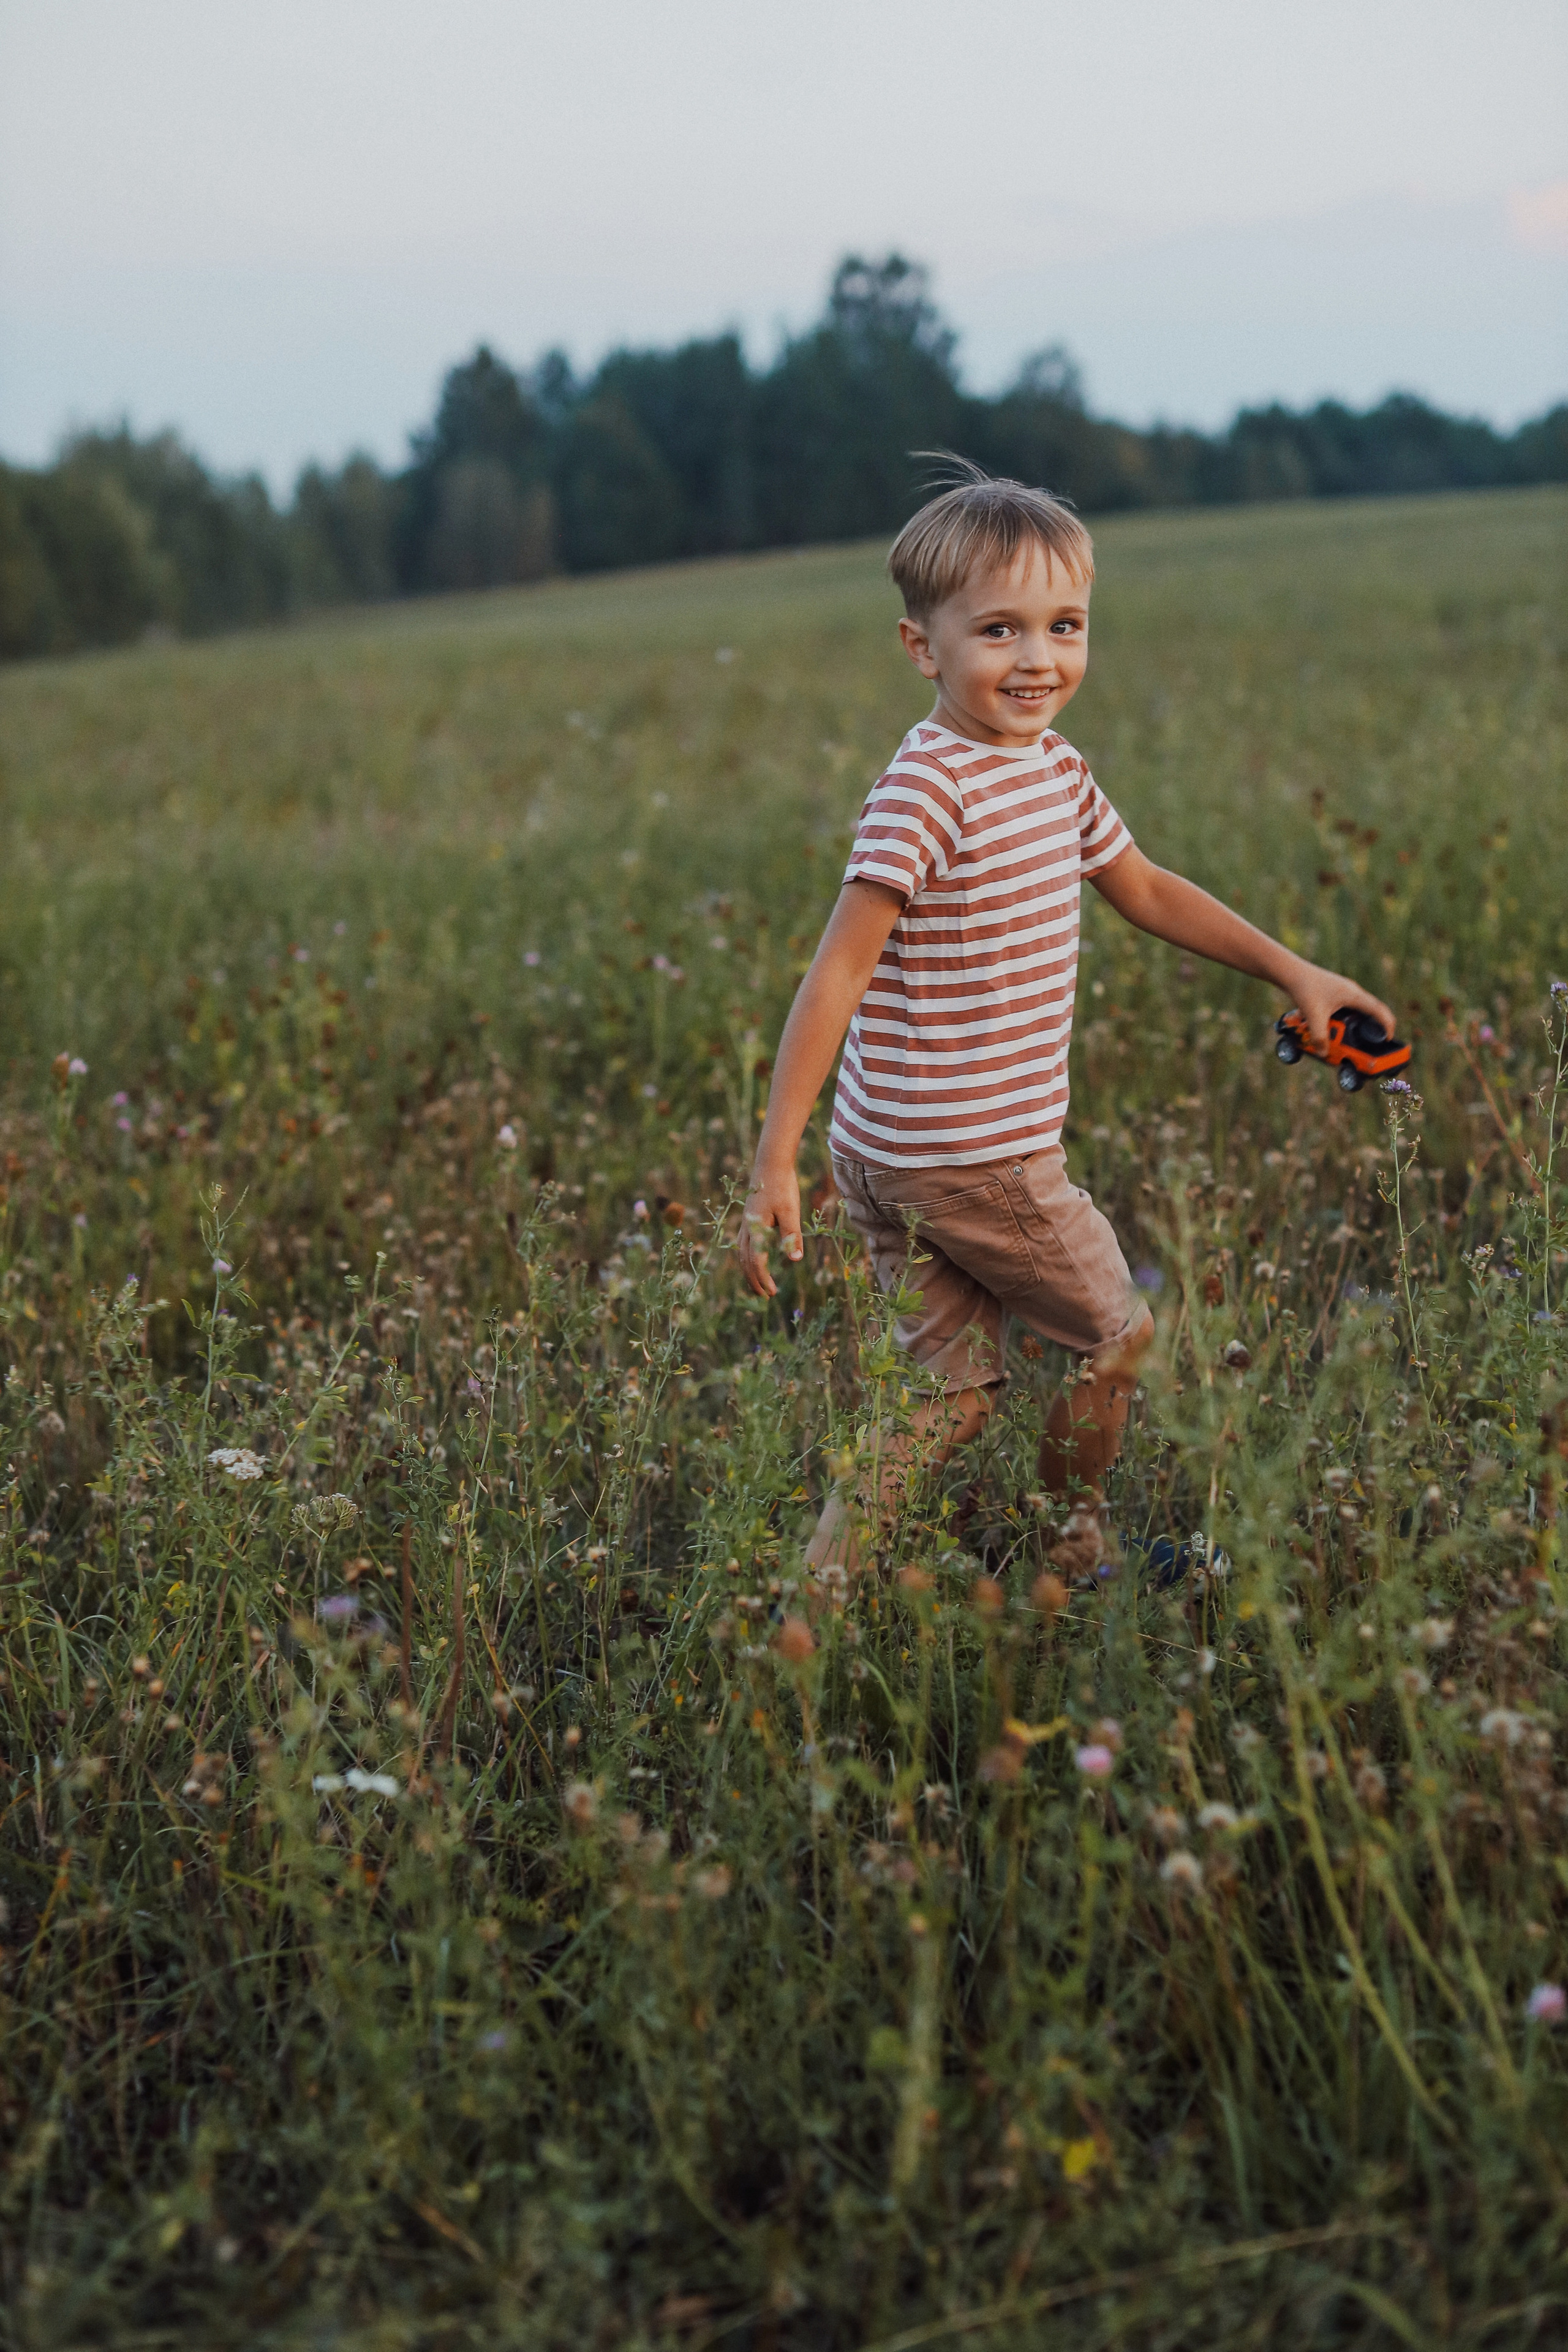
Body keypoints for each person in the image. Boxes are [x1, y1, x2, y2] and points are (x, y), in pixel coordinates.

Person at [737, 461, 1395, 1571]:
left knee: (944, 1402)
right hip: (973, 1155)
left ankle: (816, 1603)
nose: (1038, 659)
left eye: (1065, 625)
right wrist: (772, 1158)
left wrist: (1299, 974)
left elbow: (1144, 887)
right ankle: (1072, 1557)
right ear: (922, 647)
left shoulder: (1049, 769)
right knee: (1124, 1338)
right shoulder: (929, 786)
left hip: (894, 1149)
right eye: (998, 630)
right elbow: (836, 973)